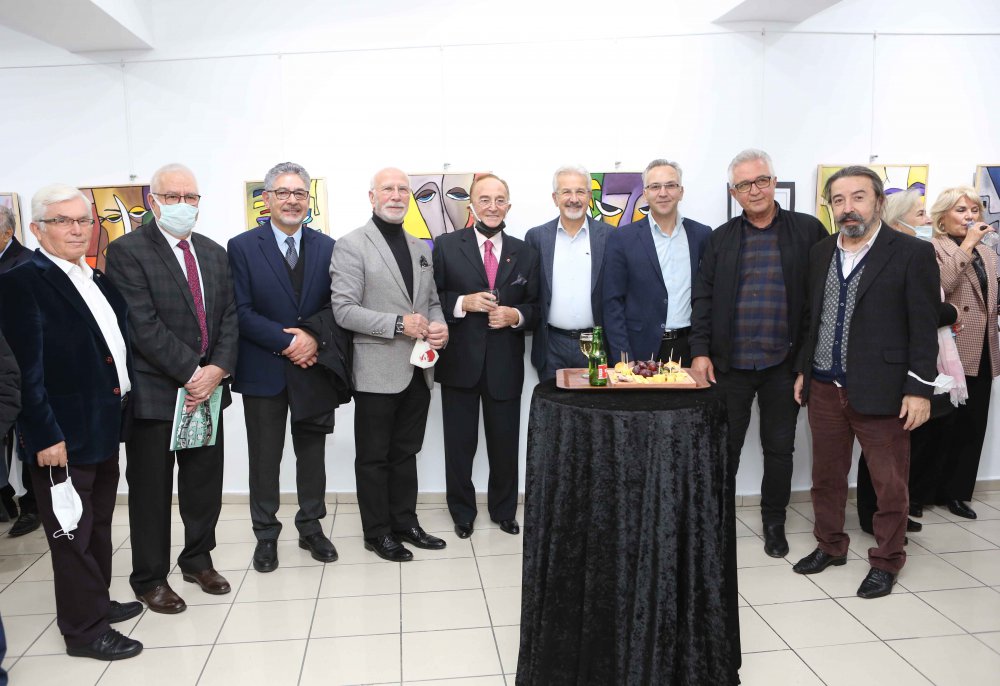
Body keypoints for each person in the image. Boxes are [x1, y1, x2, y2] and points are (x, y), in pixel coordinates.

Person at [0, 184, 143, 659]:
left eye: (83, 220)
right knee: (71, 534)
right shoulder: (22, 282)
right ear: (37, 229)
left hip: (103, 426)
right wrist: (44, 436)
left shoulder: (94, 277)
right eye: (62, 221)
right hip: (61, 436)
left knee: (96, 524)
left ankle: (96, 603)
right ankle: (84, 632)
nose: (77, 229)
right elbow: (24, 371)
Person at [792, 166, 938, 599]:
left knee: (888, 483)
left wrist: (919, 389)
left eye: (858, 197)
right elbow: (810, 319)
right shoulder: (820, 252)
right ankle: (830, 545)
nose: (848, 207)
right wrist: (803, 370)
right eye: (838, 200)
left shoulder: (911, 253)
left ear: (878, 201)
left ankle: (887, 560)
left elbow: (924, 326)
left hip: (884, 390)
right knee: (826, 476)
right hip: (824, 386)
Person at [105, 163, 238, 613]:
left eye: (191, 197)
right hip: (157, 393)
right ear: (153, 201)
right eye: (173, 196)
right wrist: (191, 372)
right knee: (151, 490)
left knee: (204, 484)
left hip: (209, 391)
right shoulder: (127, 252)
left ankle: (198, 560)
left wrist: (217, 369)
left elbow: (229, 317)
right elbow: (141, 324)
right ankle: (149, 577)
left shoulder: (214, 253)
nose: (183, 204)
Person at [691, 149, 827, 559]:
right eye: (744, 184)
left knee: (780, 449)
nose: (755, 190)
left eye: (761, 180)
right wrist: (700, 352)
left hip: (783, 366)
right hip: (729, 367)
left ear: (774, 182)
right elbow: (703, 299)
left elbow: (818, 304)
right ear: (734, 192)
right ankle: (718, 522)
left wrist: (805, 366)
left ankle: (774, 522)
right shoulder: (720, 238)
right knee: (724, 448)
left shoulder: (808, 231)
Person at [330, 167, 449, 562]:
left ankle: (405, 523)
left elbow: (431, 302)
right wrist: (399, 324)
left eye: (403, 189)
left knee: (405, 452)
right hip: (375, 371)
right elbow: (344, 310)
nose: (396, 195)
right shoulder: (351, 245)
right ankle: (377, 532)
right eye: (388, 189)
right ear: (372, 196)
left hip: (419, 369)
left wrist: (440, 326)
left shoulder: (420, 247)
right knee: (373, 457)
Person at [228, 162, 339, 573]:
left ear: (308, 199)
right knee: (264, 458)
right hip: (264, 370)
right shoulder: (242, 247)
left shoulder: (328, 247)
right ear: (268, 198)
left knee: (312, 455)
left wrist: (310, 337)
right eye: (283, 192)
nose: (292, 201)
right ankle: (266, 535)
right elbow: (240, 310)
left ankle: (311, 527)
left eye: (299, 194)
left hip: (314, 366)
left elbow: (336, 304)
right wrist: (289, 342)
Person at [433, 174, 539, 538]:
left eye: (499, 200)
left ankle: (504, 510)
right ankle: (462, 513)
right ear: (472, 205)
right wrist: (463, 303)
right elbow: (431, 299)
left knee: (505, 444)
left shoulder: (526, 252)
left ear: (508, 205)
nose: (492, 206)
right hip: (459, 363)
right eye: (485, 199)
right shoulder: (446, 246)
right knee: (459, 446)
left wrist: (516, 316)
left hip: (504, 365)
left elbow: (536, 306)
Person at [854, 190, 960, 533]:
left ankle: (892, 516)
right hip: (888, 370)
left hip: (915, 365)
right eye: (919, 214)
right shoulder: (881, 258)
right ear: (897, 219)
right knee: (880, 449)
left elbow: (922, 309)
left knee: (899, 450)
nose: (927, 220)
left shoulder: (918, 252)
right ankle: (874, 515)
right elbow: (914, 313)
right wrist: (951, 312)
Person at [929, 187, 999, 520]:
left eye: (974, 210)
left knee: (973, 425)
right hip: (950, 350)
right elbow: (941, 287)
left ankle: (957, 493)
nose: (970, 216)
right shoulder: (933, 248)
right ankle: (925, 492)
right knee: (941, 425)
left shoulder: (989, 252)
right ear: (942, 218)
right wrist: (967, 245)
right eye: (961, 210)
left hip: (984, 347)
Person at [603, 159, 711, 365]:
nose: (663, 193)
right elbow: (612, 304)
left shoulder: (701, 235)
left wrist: (702, 352)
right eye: (655, 187)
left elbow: (706, 299)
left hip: (688, 348)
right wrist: (624, 358)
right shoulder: (622, 238)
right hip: (639, 351)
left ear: (681, 191)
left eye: (670, 185)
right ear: (645, 193)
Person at [524, 165, 612, 381]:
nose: (574, 199)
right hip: (551, 346)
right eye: (566, 192)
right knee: (551, 402)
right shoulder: (536, 237)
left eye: (580, 191)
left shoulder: (610, 236)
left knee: (596, 403)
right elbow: (529, 293)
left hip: (597, 344)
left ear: (589, 196)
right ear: (555, 198)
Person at [0, 205, 39, 535]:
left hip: (20, 368)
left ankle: (32, 506)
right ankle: (6, 497)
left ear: (8, 233)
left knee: (26, 441)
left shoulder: (24, 265)